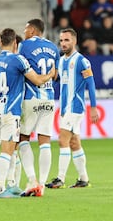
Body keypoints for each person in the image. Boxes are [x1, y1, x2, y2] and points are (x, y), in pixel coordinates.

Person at [0, 30, 55, 198]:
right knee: (7, 151)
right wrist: (50, 74)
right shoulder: (18, 59)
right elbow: (36, 80)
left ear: (1, 43)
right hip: (10, 112)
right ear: (15, 43)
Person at [46, 28, 99, 189]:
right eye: (61, 40)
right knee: (74, 143)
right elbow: (60, 81)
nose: (63, 43)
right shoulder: (61, 61)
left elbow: (90, 83)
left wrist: (93, 107)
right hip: (64, 108)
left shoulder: (82, 61)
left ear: (74, 41)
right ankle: (83, 179)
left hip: (75, 107)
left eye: (67, 40)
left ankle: (60, 179)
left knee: (63, 140)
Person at [17, 18, 60, 197]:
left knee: (23, 138)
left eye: (26, 29)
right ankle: (42, 184)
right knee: (45, 141)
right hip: (49, 98)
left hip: (31, 97)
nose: (25, 31)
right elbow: (55, 75)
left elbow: (20, 68)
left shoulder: (24, 46)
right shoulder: (54, 47)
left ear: (33, 30)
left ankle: (32, 180)